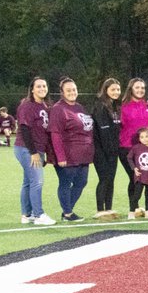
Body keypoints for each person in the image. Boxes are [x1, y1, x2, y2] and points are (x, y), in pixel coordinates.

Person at [49, 78, 93, 222]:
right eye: (68, 90)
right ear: (62, 93)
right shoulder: (58, 109)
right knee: (66, 183)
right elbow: (55, 134)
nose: (72, 92)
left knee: (82, 182)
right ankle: (67, 213)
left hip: (83, 155)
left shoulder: (79, 107)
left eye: (74, 89)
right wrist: (60, 156)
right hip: (68, 154)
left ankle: (67, 210)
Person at [15, 76, 55, 225]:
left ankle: (27, 214)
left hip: (36, 149)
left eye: (44, 86)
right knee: (37, 181)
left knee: (28, 182)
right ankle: (39, 215)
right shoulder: (27, 105)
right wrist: (34, 153)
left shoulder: (44, 106)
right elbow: (24, 129)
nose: (42, 89)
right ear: (32, 89)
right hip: (26, 148)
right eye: (38, 86)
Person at [119, 78, 148, 214]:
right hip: (126, 148)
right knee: (134, 176)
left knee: (140, 178)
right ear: (131, 89)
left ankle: (136, 207)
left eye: (142, 88)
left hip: (144, 149)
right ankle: (134, 208)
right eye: (137, 87)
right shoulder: (123, 106)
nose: (140, 90)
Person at [91, 77, 122, 220]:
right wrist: (108, 150)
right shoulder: (100, 106)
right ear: (106, 90)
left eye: (118, 89)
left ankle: (108, 209)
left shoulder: (116, 106)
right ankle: (100, 210)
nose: (116, 92)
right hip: (101, 151)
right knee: (104, 179)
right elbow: (103, 131)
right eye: (113, 89)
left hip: (112, 150)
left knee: (111, 179)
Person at [126, 127, 148, 219]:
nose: (144, 139)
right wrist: (134, 168)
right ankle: (131, 212)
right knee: (137, 194)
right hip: (140, 176)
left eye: (146, 136)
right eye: (142, 137)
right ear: (139, 139)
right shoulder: (136, 148)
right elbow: (129, 158)